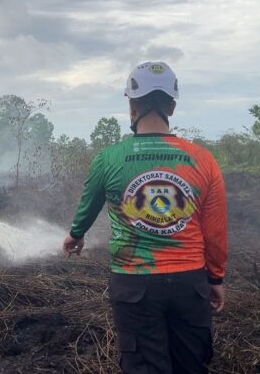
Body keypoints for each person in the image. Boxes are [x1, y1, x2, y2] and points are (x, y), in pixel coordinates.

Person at [63, 61, 227, 374]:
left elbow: (87, 207)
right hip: (190, 283)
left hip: (133, 283)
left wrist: (75, 234)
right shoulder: (203, 160)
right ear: (172, 107)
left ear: (132, 106)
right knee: (190, 366)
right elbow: (215, 230)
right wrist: (215, 278)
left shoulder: (109, 158)